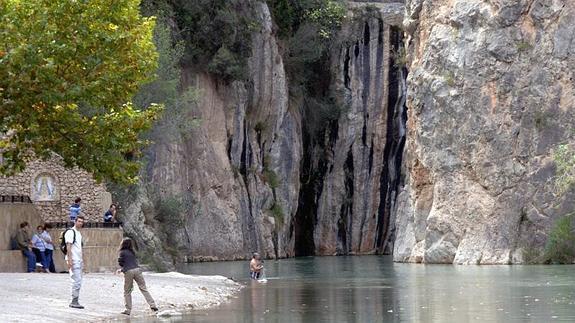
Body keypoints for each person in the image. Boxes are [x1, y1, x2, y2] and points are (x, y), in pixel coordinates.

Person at [117, 238, 158, 315]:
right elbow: (132, 262)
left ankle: (128, 310)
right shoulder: (132, 252)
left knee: (127, 291)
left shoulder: (122, 252)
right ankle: (153, 305)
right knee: (143, 288)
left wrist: (122, 270)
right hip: (137, 270)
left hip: (129, 272)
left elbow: (121, 263)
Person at [65, 215, 85, 309]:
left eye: (82, 222)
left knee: (78, 280)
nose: (80, 223)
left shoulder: (79, 233)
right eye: (79, 221)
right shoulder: (70, 232)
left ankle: (75, 300)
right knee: (76, 281)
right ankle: (74, 301)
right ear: (75, 221)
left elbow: (79, 248)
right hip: (73, 259)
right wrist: (70, 260)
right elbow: (68, 246)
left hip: (78, 260)